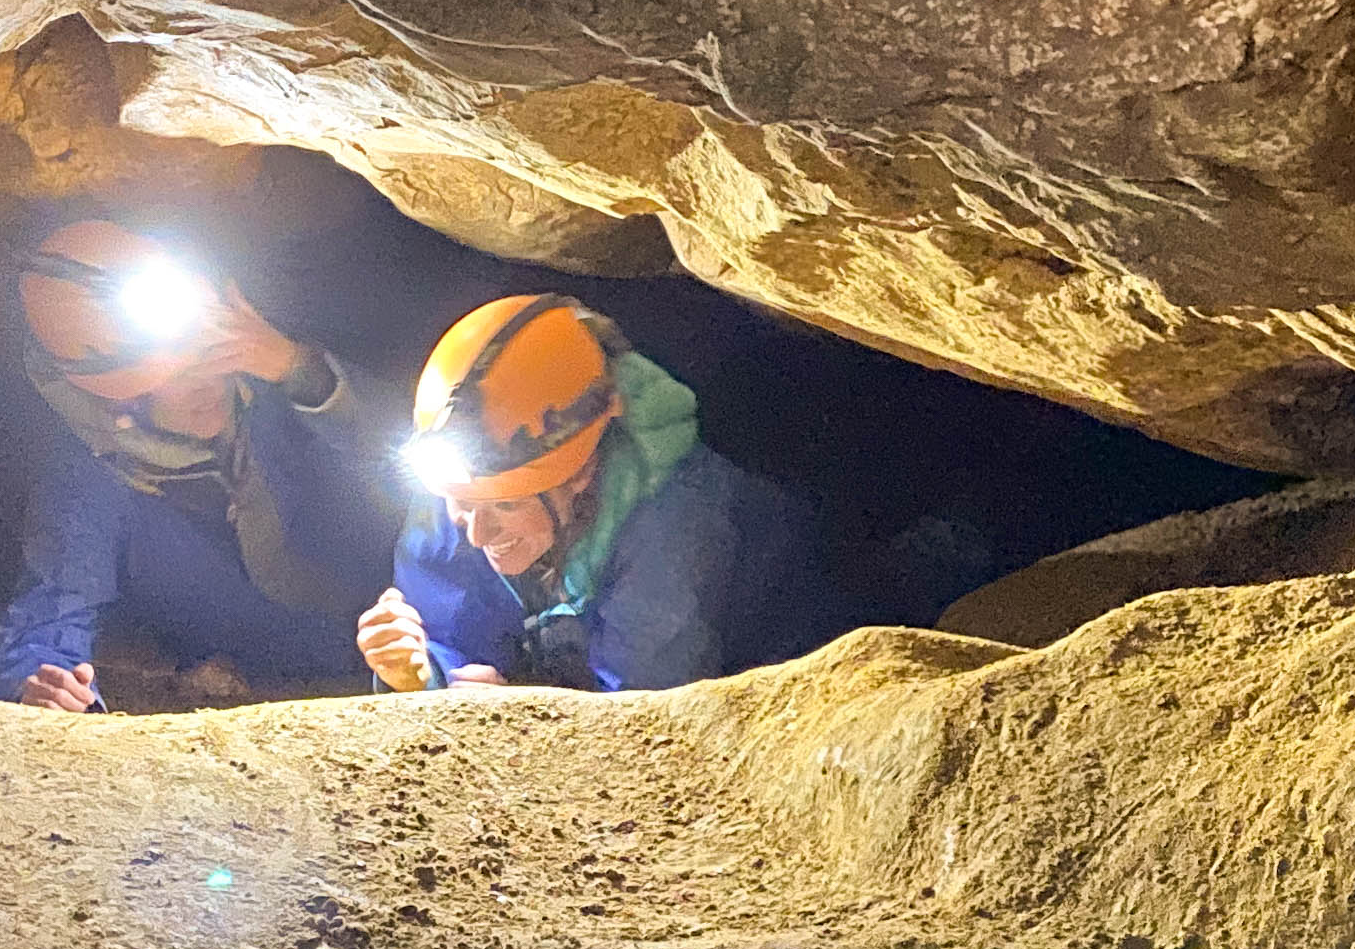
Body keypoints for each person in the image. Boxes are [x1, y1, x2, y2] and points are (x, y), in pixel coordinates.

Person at [359, 294, 957, 694]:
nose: (475, 532)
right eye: (462, 504)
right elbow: (452, 637)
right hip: (612, 643)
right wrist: (418, 672)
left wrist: (514, 709)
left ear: (580, 472)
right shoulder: (462, 483)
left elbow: (650, 717)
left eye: (507, 505)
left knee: (923, 577)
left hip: (798, 628)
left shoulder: (675, 522)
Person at [0, 217, 398, 710]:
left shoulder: (273, 392)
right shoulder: (95, 475)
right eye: (172, 373)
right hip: (263, 689)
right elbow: (53, 610)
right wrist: (45, 684)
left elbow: (413, 463)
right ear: (119, 397)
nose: (204, 381)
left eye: (207, 355)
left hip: (404, 637)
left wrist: (298, 369)